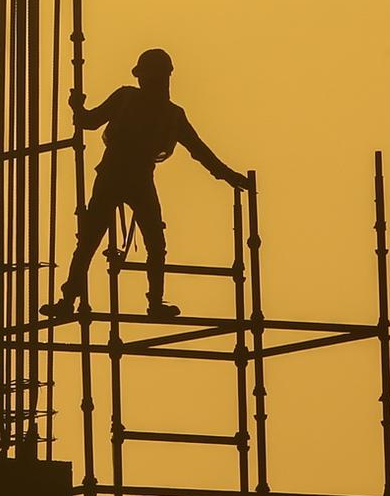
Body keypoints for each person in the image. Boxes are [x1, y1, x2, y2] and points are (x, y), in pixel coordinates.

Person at [40, 48, 250, 319]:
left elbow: (200, 151)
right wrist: (77, 107)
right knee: (90, 240)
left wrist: (228, 175)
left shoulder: (172, 115)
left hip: (136, 180)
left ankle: (152, 303)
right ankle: (68, 300)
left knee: (151, 243)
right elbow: (89, 121)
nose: (148, 83)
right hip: (113, 177)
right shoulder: (127, 97)